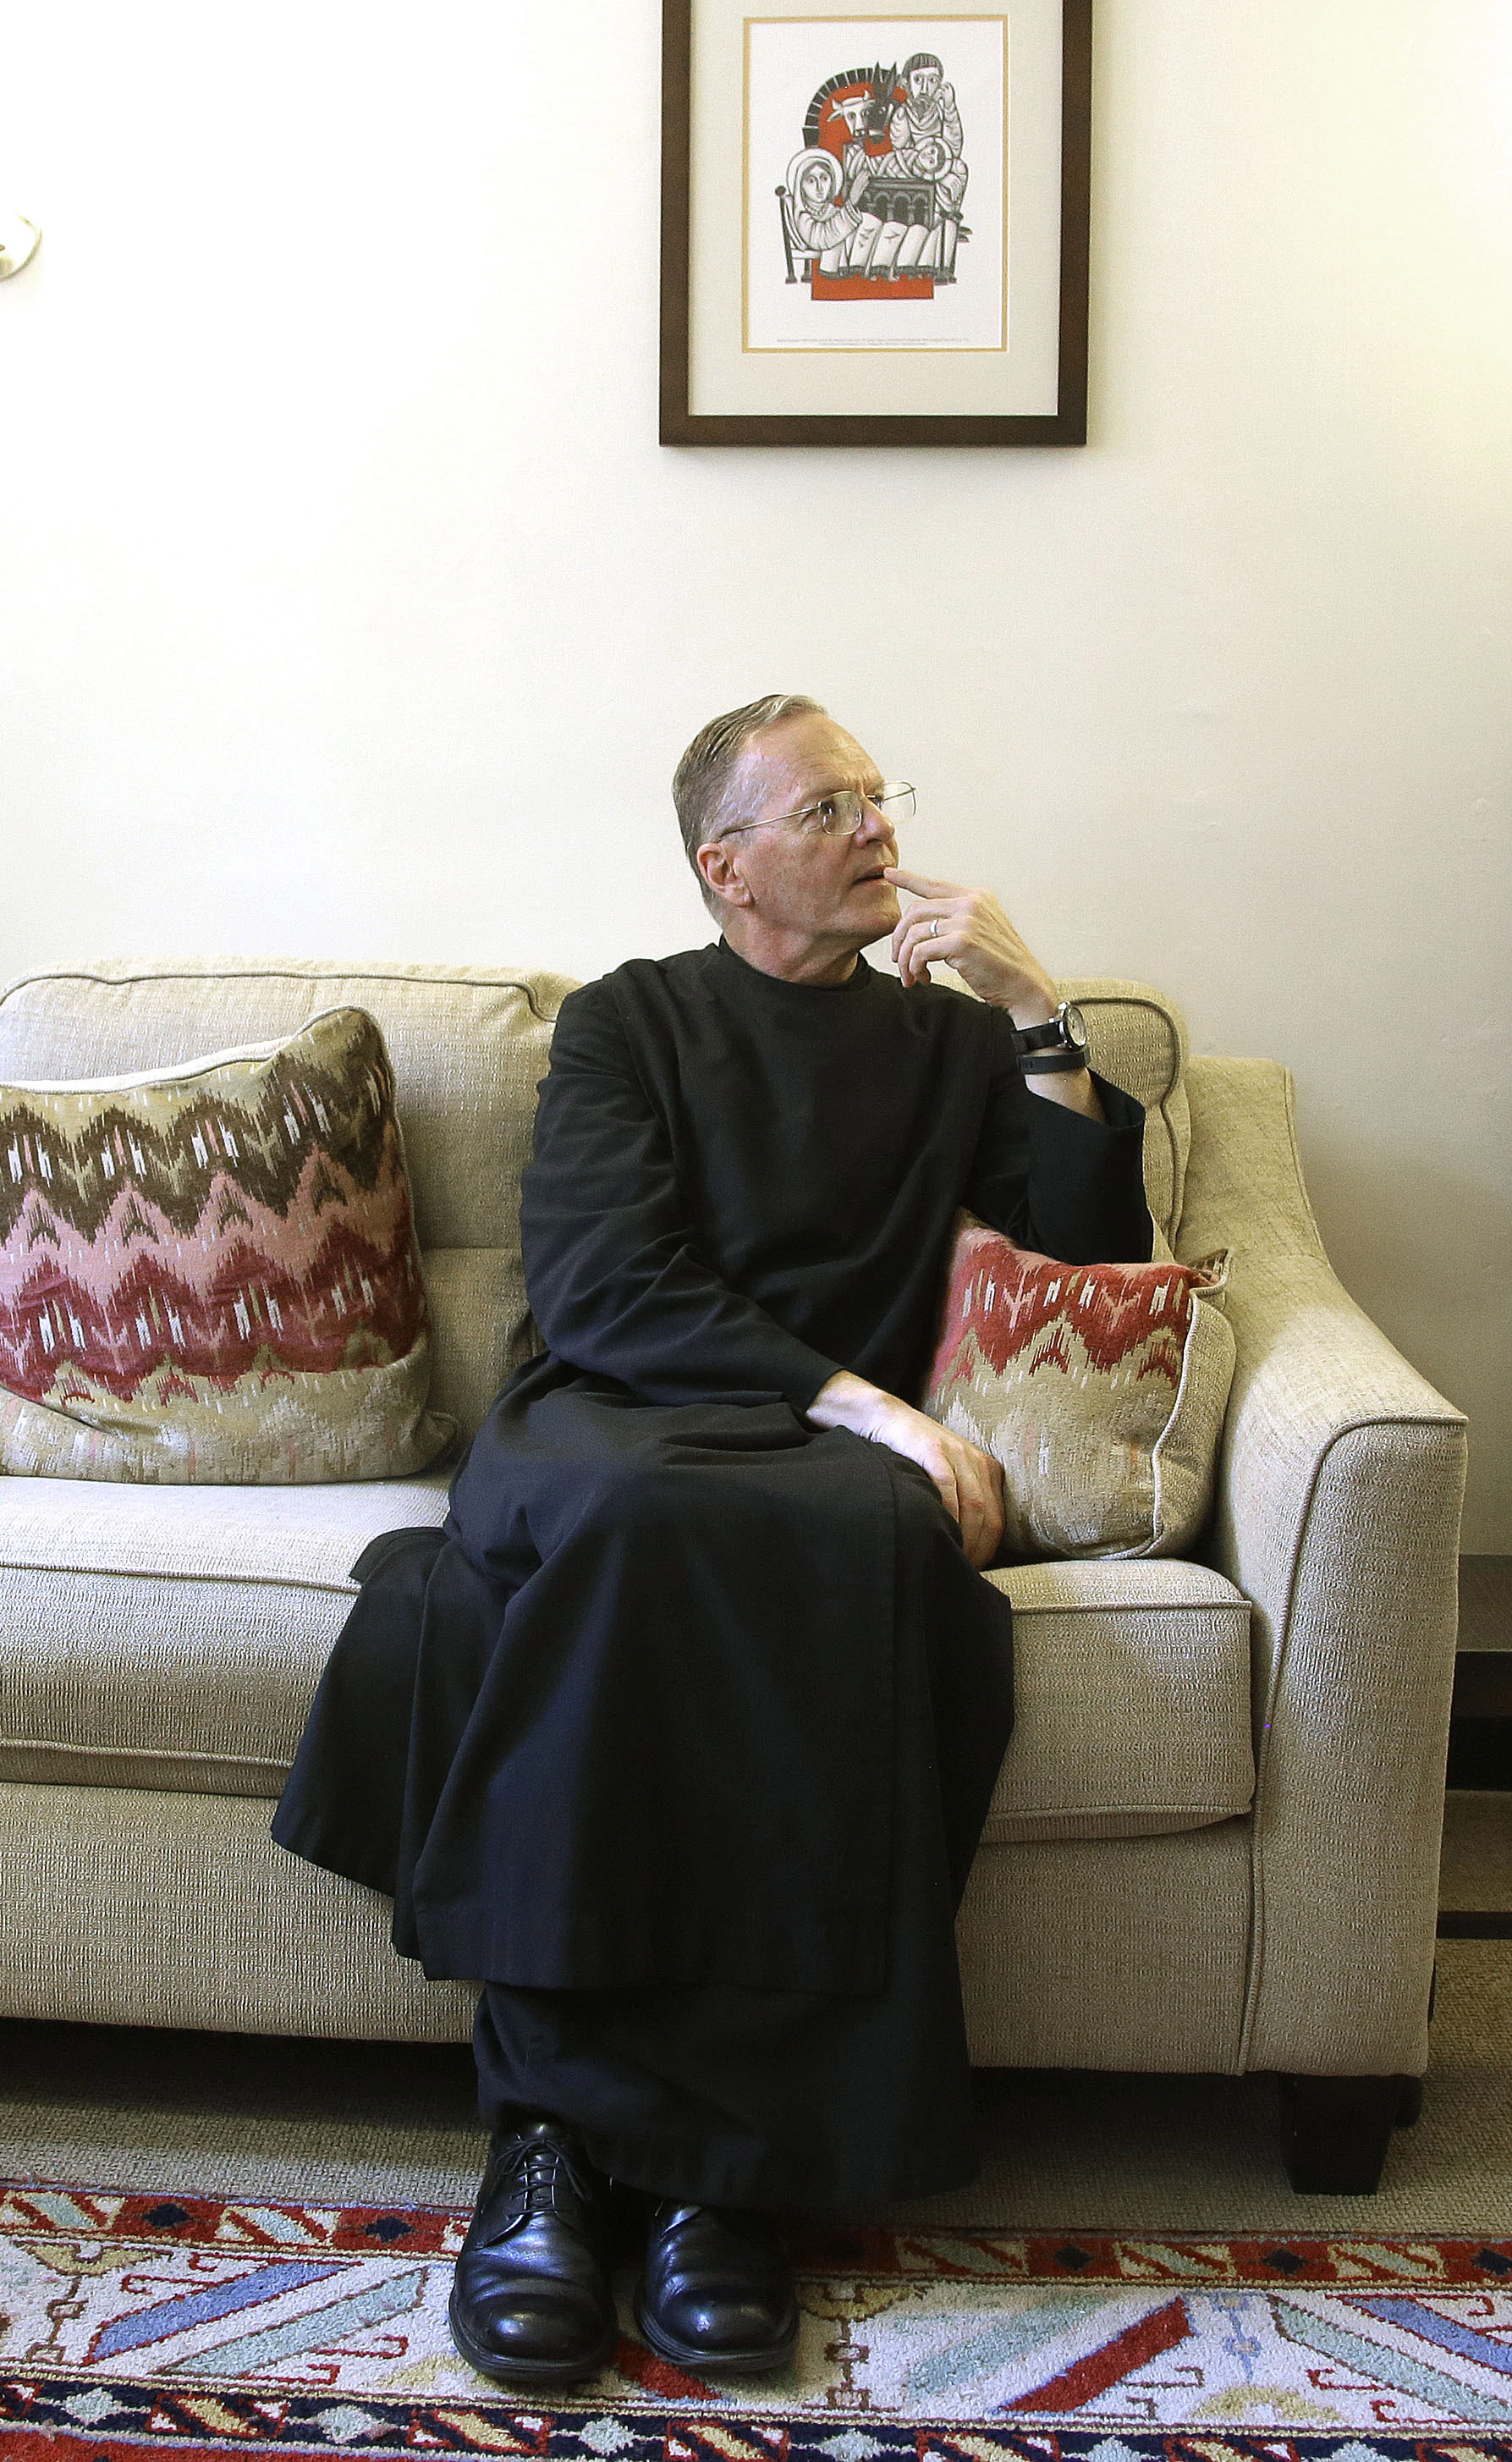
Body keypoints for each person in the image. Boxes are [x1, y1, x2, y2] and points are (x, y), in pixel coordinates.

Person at [272, 693, 1150, 2387]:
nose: (871, 827)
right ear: (725, 868)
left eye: (874, 795)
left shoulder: (950, 1043)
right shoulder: (628, 1024)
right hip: (610, 1416)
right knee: (643, 1525)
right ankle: (571, 2147)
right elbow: (605, 1289)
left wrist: (1039, 1012)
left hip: (806, 1463)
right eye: (823, 809)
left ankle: (682, 2183)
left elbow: (1092, 1258)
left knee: (876, 1570)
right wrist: (877, 1409)